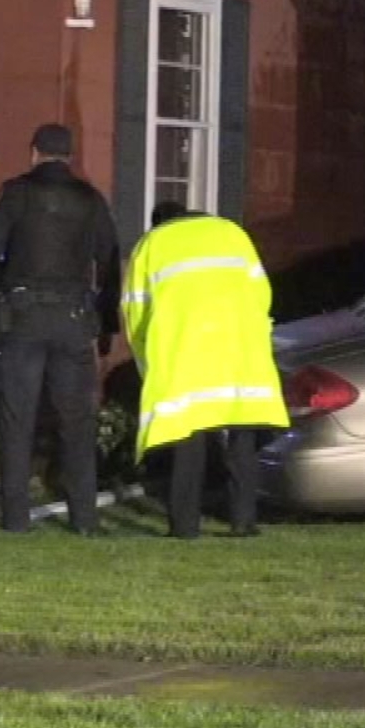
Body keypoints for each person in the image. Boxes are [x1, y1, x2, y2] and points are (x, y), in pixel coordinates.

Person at [0, 124, 120, 534]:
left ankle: (16, 516)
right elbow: (109, 261)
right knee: (77, 421)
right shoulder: (90, 200)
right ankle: (84, 517)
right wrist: (107, 323)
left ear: (34, 152)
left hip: (22, 316)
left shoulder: (16, 194)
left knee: (16, 418)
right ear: (69, 156)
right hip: (73, 318)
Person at [123, 201, 289, 539]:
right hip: (240, 349)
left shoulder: (152, 245)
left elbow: (136, 314)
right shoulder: (233, 234)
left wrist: (147, 361)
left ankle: (185, 526)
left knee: (188, 437)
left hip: (187, 353)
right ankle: (243, 522)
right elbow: (262, 293)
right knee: (241, 436)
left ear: (158, 223)